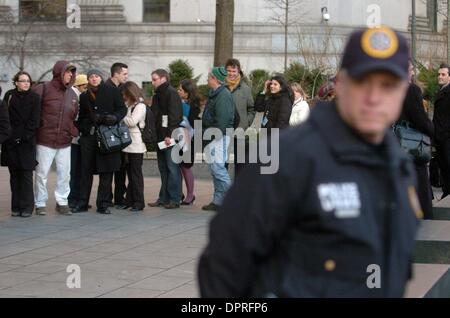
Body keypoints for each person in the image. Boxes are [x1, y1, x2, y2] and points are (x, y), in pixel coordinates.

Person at [198, 27, 419, 297]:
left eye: (388, 86)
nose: (374, 98)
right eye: (362, 82)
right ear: (340, 85)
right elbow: (222, 265)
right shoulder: (286, 158)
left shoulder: (398, 166)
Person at [73, 69, 127, 214]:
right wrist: (84, 128)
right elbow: (81, 117)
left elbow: (122, 109)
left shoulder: (112, 91)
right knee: (86, 171)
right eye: (91, 77)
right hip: (89, 138)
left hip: (107, 136)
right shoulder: (84, 96)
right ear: (88, 80)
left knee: (107, 171)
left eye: (96, 76)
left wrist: (115, 117)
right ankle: (82, 203)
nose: (94, 79)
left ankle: (103, 204)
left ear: (101, 78)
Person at [33, 60, 79, 216]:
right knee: (41, 173)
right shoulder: (42, 89)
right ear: (59, 73)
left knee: (65, 173)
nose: (70, 75)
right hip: (45, 140)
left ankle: (62, 202)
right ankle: (40, 203)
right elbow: (33, 113)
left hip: (65, 141)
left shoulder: (73, 94)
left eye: (72, 72)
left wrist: (72, 130)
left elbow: (74, 116)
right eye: (68, 72)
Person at [396, 61, 434, 219]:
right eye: (410, 70)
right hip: (412, 146)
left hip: (396, 144)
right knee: (420, 187)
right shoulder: (411, 89)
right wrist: (433, 131)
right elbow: (420, 119)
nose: (412, 73)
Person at [1, 71, 40, 218]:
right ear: (16, 82)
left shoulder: (35, 98)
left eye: (28, 81)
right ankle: (16, 207)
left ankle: (27, 207)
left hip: (27, 142)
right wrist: (10, 136)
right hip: (10, 141)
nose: (26, 83)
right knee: (14, 175)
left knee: (26, 175)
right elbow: (5, 117)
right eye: (22, 81)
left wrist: (23, 136)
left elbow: (35, 121)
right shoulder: (9, 95)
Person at [147, 69, 183, 209]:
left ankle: (174, 199)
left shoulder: (171, 93)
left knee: (172, 167)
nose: (152, 82)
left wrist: (170, 135)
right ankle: (163, 198)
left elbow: (175, 116)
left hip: (168, 137)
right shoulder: (157, 95)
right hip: (160, 137)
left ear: (163, 79)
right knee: (163, 168)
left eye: (154, 79)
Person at [201, 66, 235, 212]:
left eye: (209, 77)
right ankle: (218, 201)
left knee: (218, 168)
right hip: (214, 136)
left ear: (214, 79)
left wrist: (209, 136)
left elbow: (221, 122)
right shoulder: (216, 94)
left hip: (218, 137)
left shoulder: (223, 95)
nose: (207, 79)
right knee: (215, 169)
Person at [119, 81, 147, 212]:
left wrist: (122, 114)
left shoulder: (140, 106)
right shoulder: (129, 105)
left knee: (136, 175)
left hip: (136, 145)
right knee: (130, 174)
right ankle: (129, 200)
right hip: (128, 144)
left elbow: (132, 121)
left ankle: (139, 202)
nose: (123, 96)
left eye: (125, 93)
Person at [225, 58, 255, 177]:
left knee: (240, 161)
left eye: (234, 71)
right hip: (223, 130)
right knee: (222, 162)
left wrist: (245, 123)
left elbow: (251, 109)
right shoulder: (221, 86)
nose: (231, 74)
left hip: (240, 130)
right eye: (229, 71)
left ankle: (238, 190)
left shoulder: (245, 89)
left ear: (238, 72)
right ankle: (223, 190)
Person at [105, 62, 129, 207]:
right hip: (109, 134)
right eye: (124, 74)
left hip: (120, 133)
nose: (126, 76)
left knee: (121, 168)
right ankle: (107, 198)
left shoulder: (122, 88)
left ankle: (119, 198)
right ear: (116, 74)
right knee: (109, 168)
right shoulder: (106, 89)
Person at [177, 79, 201, 205]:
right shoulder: (178, 102)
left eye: (180, 89)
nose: (178, 91)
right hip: (179, 138)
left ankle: (190, 194)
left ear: (187, 92)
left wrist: (182, 119)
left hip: (190, 139)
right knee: (179, 166)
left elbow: (194, 123)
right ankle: (179, 193)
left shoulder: (195, 106)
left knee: (186, 167)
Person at [68, 74, 88, 209]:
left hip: (78, 140)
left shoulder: (78, 97)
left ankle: (75, 198)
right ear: (79, 86)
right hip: (76, 140)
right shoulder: (74, 98)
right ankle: (73, 198)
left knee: (77, 171)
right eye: (85, 86)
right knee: (76, 171)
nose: (87, 89)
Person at [433, 63, 450, 200]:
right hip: (440, 137)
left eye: (443, 74)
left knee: (448, 166)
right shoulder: (441, 91)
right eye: (439, 74)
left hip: (446, 137)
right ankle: (446, 192)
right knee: (444, 167)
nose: (439, 77)